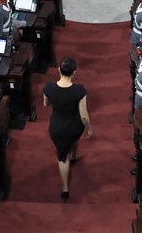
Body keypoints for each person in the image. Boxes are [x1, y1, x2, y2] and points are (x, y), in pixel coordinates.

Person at [42, 57, 91, 201]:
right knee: (74, 138)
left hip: (57, 128)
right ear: (74, 73)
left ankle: (65, 187)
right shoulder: (79, 90)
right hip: (75, 126)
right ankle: (74, 154)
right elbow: (84, 115)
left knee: (62, 157)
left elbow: (45, 104)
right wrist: (89, 129)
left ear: (59, 70)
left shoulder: (49, 87)